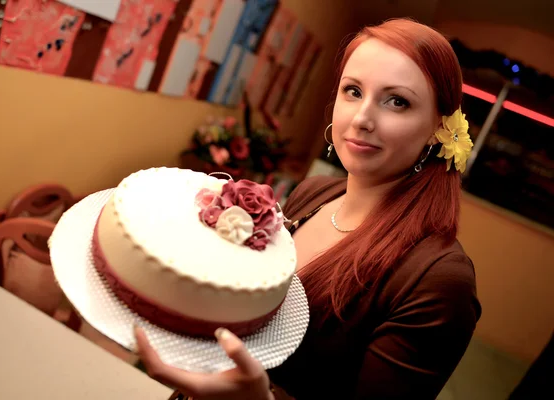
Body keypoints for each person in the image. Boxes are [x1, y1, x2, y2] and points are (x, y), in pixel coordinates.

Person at [134, 18, 481, 399]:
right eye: (352, 91)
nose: (362, 118)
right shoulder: (313, 194)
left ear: (438, 127)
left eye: (397, 101)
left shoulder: (438, 279)